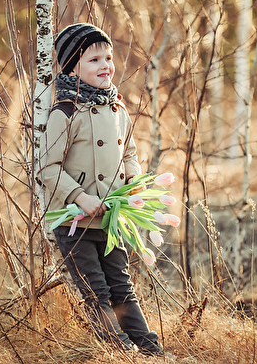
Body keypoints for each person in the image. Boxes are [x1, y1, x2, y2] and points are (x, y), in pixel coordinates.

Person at [40, 23, 166, 357]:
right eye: (94, 59)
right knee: (96, 290)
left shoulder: (117, 109)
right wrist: (80, 197)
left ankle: (148, 348)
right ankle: (120, 350)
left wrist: (132, 184)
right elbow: (48, 167)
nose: (105, 65)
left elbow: (130, 154)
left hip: (110, 218)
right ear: (72, 67)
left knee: (121, 285)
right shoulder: (65, 112)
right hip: (75, 221)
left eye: (108, 58)